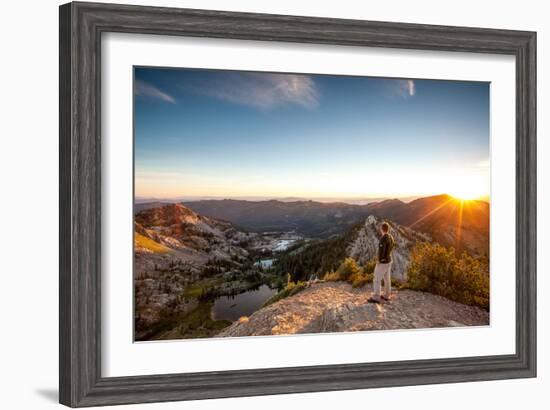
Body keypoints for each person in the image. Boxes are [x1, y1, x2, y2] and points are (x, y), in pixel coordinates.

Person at [368, 222, 395, 304]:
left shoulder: (383, 238)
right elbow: (392, 246)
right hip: (389, 260)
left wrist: (380, 260)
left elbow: (381, 251)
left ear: (381, 229)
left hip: (383, 262)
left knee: (376, 279)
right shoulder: (391, 237)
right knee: (387, 279)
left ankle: (376, 297)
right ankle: (387, 295)